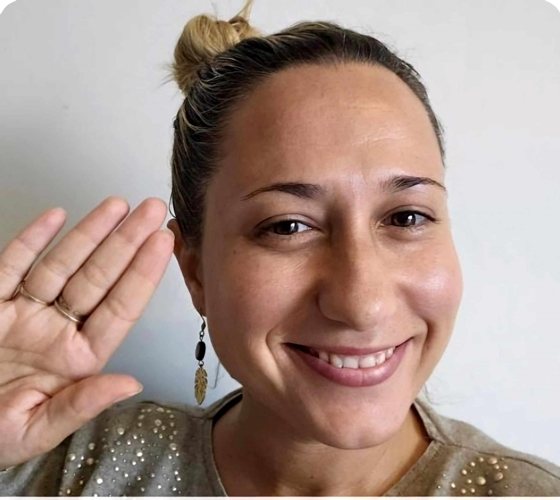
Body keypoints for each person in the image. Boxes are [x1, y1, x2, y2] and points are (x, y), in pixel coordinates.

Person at [0, 0, 559, 496]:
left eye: (406, 217)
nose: (362, 304)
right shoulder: (61, 472)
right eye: (288, 226)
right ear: (196, 272)